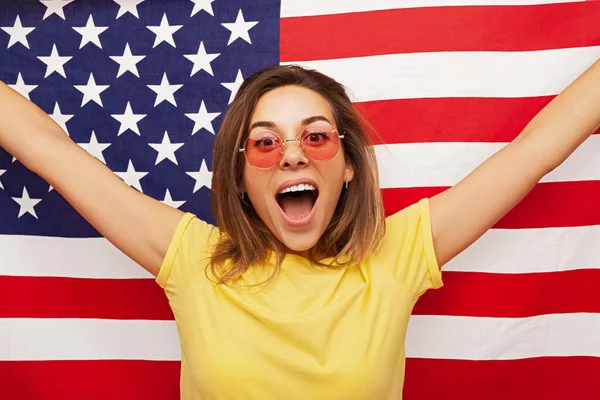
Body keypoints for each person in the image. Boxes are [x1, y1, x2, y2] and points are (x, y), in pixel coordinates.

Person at [0, 60, 599, 399]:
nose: (291, 156)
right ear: (238, 177)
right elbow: (48, 150)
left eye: (315, 136)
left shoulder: (397, 253)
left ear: (348, 166)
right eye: (264, 143)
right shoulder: (191, 259)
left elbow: (537, 149)